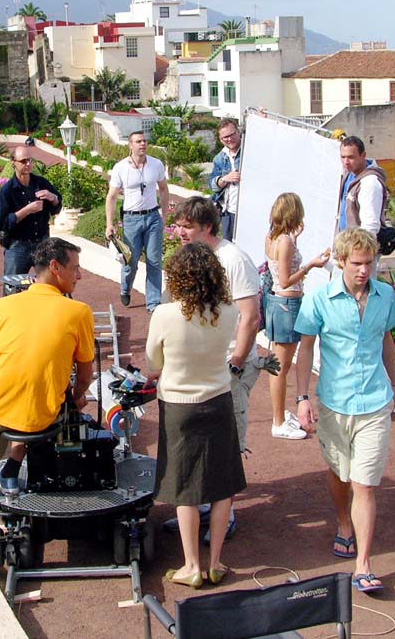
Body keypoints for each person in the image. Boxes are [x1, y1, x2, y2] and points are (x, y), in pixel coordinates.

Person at [0, 237, 95, 573]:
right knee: (48, 405)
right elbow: (85, 373)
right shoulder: (78, 312)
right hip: (41, 417)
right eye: (76, 268)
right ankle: (12, 467)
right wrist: (78, 396)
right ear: (55, 269)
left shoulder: (2, 306)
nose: (80, 275)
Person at [294, 228, 395, 594]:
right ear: (340, 261)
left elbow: (387, 339)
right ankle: (343, 523)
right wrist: (302, 397)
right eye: (357, 263)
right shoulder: (319, 298)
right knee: (339, 474)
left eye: (369, 263)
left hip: (374, 401)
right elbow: (306, 348)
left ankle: (364, 564)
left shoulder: (385, 296)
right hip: (334, 403)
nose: (364, 270)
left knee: (365, 483)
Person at [146, 242, 246, 588]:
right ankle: (216, 562)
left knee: (185, 487)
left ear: (178, 278)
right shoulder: (229, 312)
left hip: (177, 405)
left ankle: (191, 566)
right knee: (222, 485)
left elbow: (152, 362)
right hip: (218, 401)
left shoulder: (165, 314)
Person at [167, 196, 260, 542]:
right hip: (203, 366)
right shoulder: (194, 258)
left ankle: (228, 515)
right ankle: (203, 508)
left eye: (186, 226)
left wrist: (235, 363)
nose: (179, 232)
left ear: (207, 227)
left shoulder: (233, 259)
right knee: (202, 440)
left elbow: (251, 317)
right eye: (178, 225)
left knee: (229, 440)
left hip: (229, 367)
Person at [264, 192, 329, 440]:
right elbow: (285, 279)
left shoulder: (272, 237)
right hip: (287, 303)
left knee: (278, 364)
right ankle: (278, 421)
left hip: (277, 303)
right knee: (280, 367)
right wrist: (310, 265)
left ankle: (279, 415)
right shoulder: (286, 242)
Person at [105, 130, 169, 311]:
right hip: (131, 219)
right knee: (130, 262)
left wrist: (164, 215)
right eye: (138, 141)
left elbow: (164, 189)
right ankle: (125, 288)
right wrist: (109, 224)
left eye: (144, 141)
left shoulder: (156, 164)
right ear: (130, 145)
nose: (142, 144)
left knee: (154, 261)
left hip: (152, 217)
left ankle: (153, 303)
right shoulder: (121, 167)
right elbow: (111, 197)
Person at [0, 144, 61, 274]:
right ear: (14, 163)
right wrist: (26, 210)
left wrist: (53, 198)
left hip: (42, 243)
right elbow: (1, 223)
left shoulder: (41, 183)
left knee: (48, 285)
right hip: (18, 245)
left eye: (30, 160)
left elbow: (56, 209)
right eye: (23, 161)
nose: (28, 164)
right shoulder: (7, 191)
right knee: (12, 287)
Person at [334, 135, 385, 238]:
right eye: (343, 157)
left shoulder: (370, 183)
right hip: (345, 243)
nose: (346, 162)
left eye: (351, 157)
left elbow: (370, 226)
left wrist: (360, 251)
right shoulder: (348, 174)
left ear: (363, 155)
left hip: (359, 247)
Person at [208, 118, 243, 240]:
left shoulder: (248, 150)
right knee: (230, 248)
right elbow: (212, 185)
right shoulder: (220, 158)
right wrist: (225, 179)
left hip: (247, 210)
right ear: (220, 139)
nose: (229, 139)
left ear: (238, 132)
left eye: (232, 134)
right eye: (225, 137)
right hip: (228, 212)